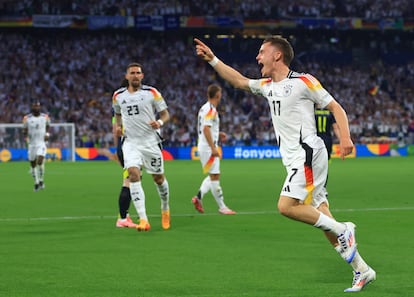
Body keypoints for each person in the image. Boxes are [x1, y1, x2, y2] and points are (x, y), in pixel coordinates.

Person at [194, 36, 375, 292]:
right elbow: (237, 80)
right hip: (296, 159)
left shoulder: (303, 81)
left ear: (277, 55)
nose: (257, 58)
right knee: (321, 215)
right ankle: (361, 269)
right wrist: (212, 59)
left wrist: (345, 137)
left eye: (261, 52)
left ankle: (345, 229)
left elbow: (336, 107)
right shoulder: (267, 85)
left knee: (286, 206)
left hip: (307, 153)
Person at [112, 62, 171, 231]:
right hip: (130, 143)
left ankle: (165, 208)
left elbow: (166, 114)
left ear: (142, 76)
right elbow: (117, 114)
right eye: (132, 73)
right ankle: (143, 219)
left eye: (138, 73)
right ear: (127, 76)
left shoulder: (151, 93)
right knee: (133, 174)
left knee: (158, 179)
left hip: (150, 142)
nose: (135, 75)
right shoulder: (118, 96)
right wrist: (118, 126)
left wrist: (159, 122)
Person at [191, 84, 236, 215]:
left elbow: (206, 127)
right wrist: (213, 148)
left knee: (213, 175)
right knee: (215, 177)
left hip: (204, 146)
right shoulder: (211, 110)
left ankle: (198, 197)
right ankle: (222, 207)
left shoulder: (204, 108)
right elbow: (205, 128)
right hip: (208, 148)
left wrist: (218, 133)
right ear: (218, 95)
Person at [22, 100, 50, 192]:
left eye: (37, 106)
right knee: (33, 164)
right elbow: (24, 130)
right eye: (34, 106)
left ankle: (41, 180)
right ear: (32, 107)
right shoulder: (27, 118)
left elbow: (48, 126)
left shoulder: (45, 117)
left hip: (41, 143)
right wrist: (25, 137)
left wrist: (47, 134)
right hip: (32, 144)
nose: (36, 108)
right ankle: (36, 182)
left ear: (40, 107)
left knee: (40, 161)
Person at [315, 105, 341, 195]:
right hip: (327, 141)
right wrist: (341, 141)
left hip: (314, 140)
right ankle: (322, 188)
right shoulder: (330, 113)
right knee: (324, 166)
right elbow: (336, 128)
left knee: (312, 164)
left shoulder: (312, 112)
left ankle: (312, 187)